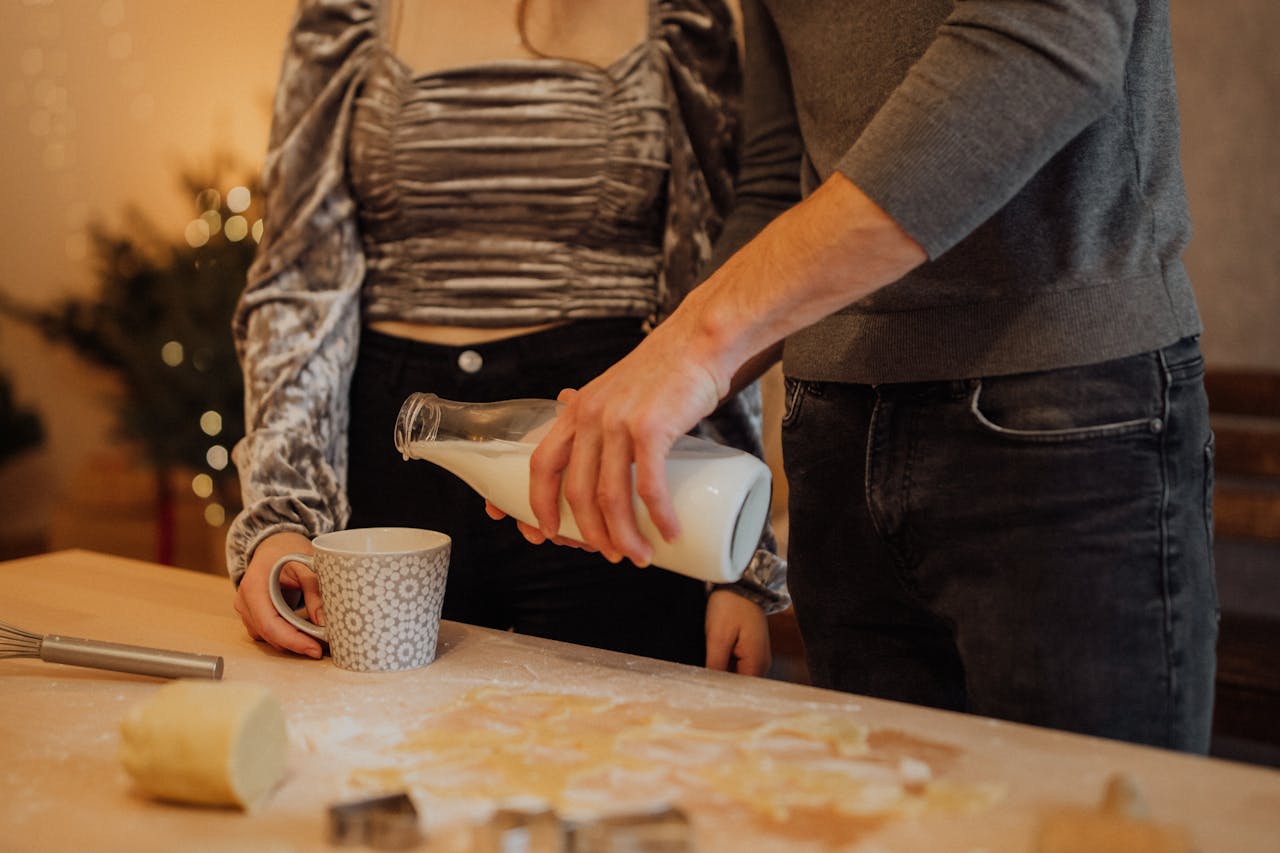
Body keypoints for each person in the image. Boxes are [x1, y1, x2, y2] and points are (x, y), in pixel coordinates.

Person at [519, 0, 1218, 752]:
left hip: (1058, 414)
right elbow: (780, 188)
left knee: (1087, 822)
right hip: (835, 431)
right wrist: (637, 402)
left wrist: (701, 342)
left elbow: (1044, 42)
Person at [226, 0, 788, 675]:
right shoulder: (346, 16)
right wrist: (280, 516)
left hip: (606, 454)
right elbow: (299, 281)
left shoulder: (679, 17)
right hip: (393, 456)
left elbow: (717, 282)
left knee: (615, 756)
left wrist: (735, 566)